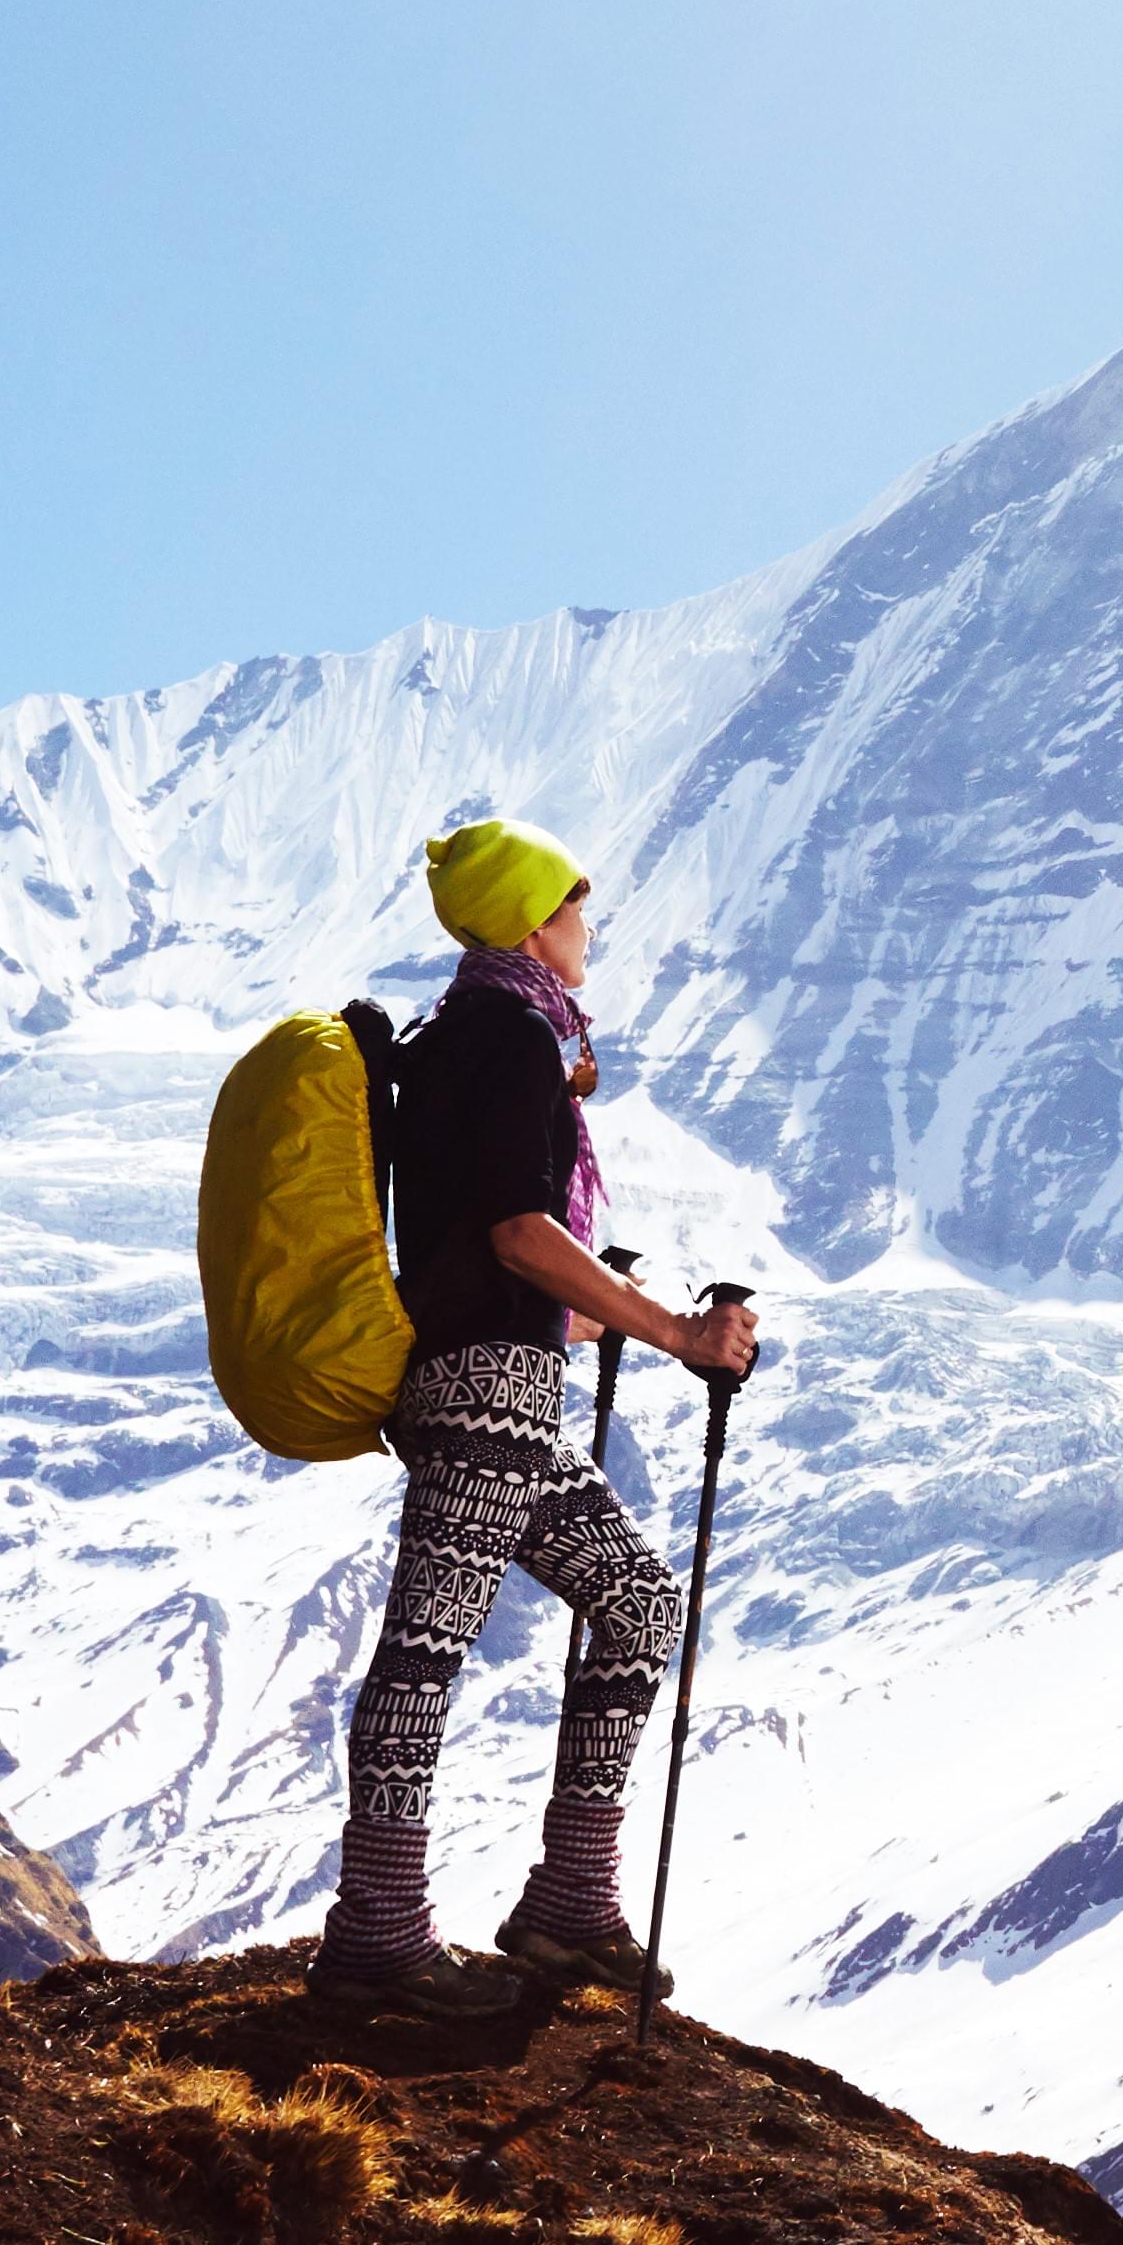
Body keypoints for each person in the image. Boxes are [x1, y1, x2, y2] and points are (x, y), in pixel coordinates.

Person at [306, 816, 758, 2023]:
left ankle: (568, 1901)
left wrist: (615, 1318)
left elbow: (495, 1255)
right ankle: (381, 1932)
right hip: (485, 1397)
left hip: (496, 1387)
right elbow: (517, 1232)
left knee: (636, 1600)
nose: (587, 927)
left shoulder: (466, 1037)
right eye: (571, 905)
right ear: (526, 920)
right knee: (427, 1646)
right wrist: (673, 1330)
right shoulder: (505, 1039)